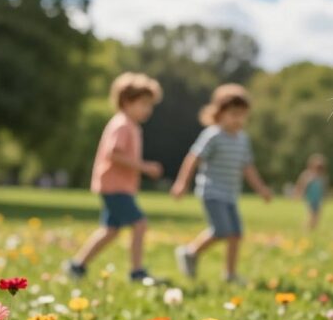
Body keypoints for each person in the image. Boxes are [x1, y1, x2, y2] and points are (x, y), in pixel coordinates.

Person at [171, 84, 272, 283]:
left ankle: (230, 273)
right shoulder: (213, 135)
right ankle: (190, 252)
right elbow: (193, 158)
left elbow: (248, 167)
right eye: (233, 114)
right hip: (212, 191)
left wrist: (261, 189)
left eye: (243, 115)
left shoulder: (243, 139)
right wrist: (182, 183)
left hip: (230, 194)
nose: (238, 119)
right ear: (219, 113)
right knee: (222, 230)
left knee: (235, 233)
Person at [69, 72, 163, 281]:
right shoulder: (122, 124)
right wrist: (144, 167)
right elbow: (113, 153)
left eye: (150, 105)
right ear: (127, 101)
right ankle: (137, 271)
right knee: (140, 224)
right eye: (144, 103)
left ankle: (77, 265)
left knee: (110, 230)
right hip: (115, 186)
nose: (148, 109)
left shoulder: (130, 125)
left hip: (117, 186)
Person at [295, 154, 327, 231]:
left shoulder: (322, 177)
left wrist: (325, 197)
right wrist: (299, 194)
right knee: (311, 215)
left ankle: (312, 229)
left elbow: (323, 189)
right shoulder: (307, 175)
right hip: (310, 199)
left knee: (317, 216)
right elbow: (301, 185)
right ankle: (306, 229)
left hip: (318, 199)